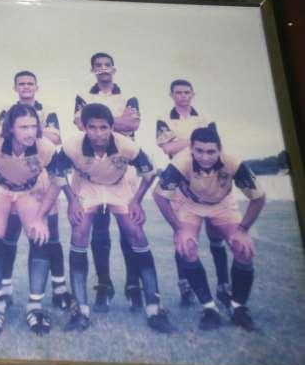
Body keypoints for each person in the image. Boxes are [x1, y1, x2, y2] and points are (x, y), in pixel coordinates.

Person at [35, 103, 174, 333]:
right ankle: (81, 311)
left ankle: (154, 309)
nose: (98, 133)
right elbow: (57, 173)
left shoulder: (126, 145)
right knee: (79, 231)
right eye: (92, 127)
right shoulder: (72, 146)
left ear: (111, 127)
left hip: (118, 186)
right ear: (84, 127)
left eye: (103, 127)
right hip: (87, 186)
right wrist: (72, 200)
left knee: (136, 233)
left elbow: (149, 173)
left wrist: (137, 200)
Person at [153, 124, 265, 331]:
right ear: (191, 149)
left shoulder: (233, 162)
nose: (205, 157)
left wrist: (243, 230)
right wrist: (179, 229)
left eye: (211, 151)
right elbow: (159, 196)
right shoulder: (180, 162)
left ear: (220, 149)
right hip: (190, 205)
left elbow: (258, 198)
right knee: (186, 247)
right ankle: (209, 309)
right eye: (199, 151)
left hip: (222, 205)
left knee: (243, 249)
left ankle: (238, 309)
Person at [0, 104, 57, 337]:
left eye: (33, 126)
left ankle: (35, 305)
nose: (30, 132)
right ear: (10, 128)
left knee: (40, 238)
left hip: (28, 189)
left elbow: (57, 182)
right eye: (23, 127)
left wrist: (41, 218)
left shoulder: (46, 148)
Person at [73, 52, 142, 312]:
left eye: (107, 65)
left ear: (114, 68)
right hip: (94, 165)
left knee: (129, 228)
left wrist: (100, 123)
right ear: (92, 70)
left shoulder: (129, 97)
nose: (103, 68)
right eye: (98, 65)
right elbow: (80, 124)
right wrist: (117, 121)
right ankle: (104, 284)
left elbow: (133, 123)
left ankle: (133, 284)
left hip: (123, 165)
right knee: (99, 229)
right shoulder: (83, 95)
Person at [0, 71, 71, 311]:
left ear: (36, 87)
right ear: (15, 87)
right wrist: (37, 133)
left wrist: (25, 132)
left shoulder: (48, 110)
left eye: (30, 83)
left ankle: (59, 288)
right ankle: (5, 288)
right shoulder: (7, 110)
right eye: (22, 83)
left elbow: (55, 138)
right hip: (15, 176)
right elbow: (3, 136)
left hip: (43, 175)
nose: (26, 87)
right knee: (10, 234)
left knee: (51, 235)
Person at [156, 79, 231, 307]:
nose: (183, 96)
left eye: (187, 92)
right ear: (171, 95)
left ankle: (223, 286)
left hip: (208, 179)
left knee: (215, 233)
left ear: (193, 94)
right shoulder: (164, 119)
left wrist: (182, 142)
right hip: (180, 179)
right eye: (178, 92)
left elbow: (215, 147)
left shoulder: (205, 118)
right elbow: (167, 148)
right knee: (182, 235)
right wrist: (197, 140)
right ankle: (185, 287)